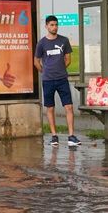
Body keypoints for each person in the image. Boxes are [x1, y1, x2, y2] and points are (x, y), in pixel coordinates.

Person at [34, 15, 81, 147]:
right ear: (46, 26)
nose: (54, 27)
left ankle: (71, 136)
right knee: (50, 108)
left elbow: (68, 59)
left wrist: (60, 69)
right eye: (51, 25)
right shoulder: (41, 43)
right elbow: (36, 61)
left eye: (56, 25)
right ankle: (54, 136)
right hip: (48, 80)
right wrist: (45, 71)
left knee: (69, 107)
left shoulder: (64, 41)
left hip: (62, 79)